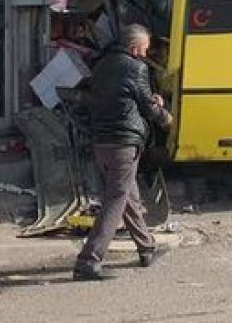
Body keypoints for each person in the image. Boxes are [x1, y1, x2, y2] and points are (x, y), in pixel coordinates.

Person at [73, 24, 174, 282]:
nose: (146, 53)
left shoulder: (102, 65)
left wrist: (149, 100)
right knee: (116, 200)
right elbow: (146, 106)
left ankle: (146, 247)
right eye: (145, 48)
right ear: (134, 47)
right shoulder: (135, 67)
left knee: (127, 195)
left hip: (102, 142)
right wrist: (165, 117)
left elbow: (125, 97)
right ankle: (89, 260)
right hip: (123, 143)